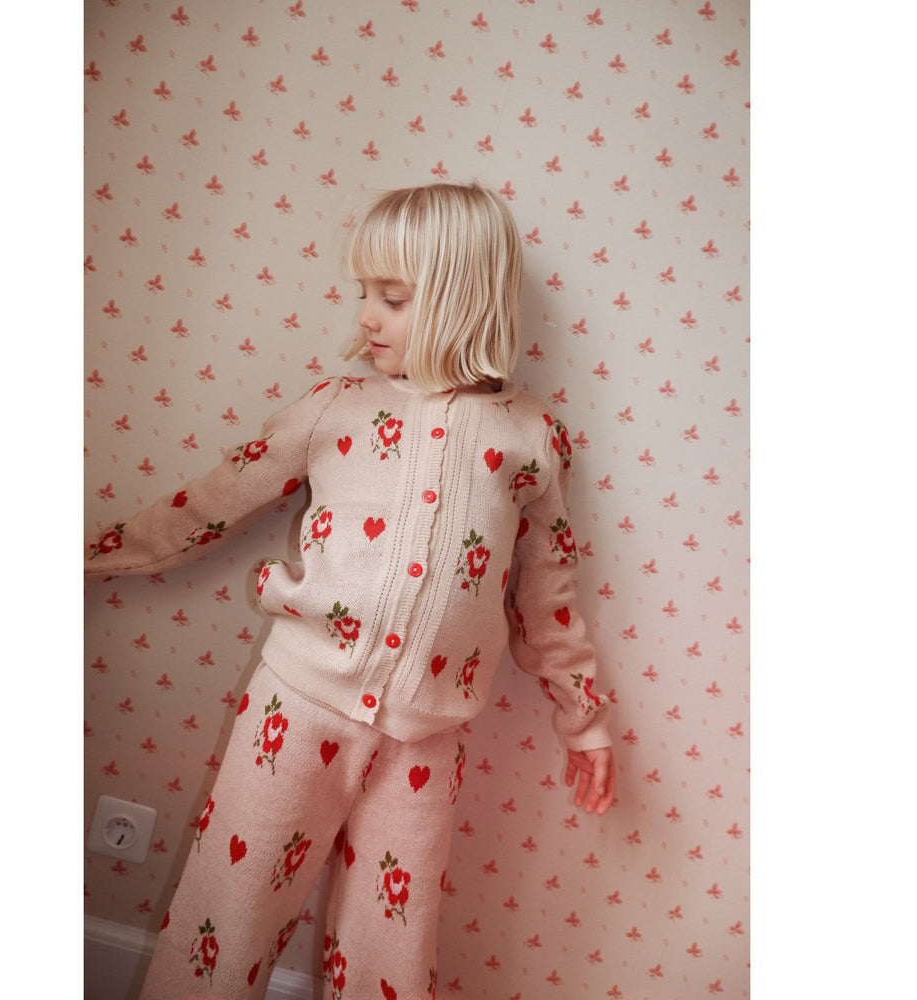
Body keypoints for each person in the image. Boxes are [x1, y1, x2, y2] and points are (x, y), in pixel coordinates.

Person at [85, 182, 616, 1000]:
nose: (366, 316)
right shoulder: (336, 408)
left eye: (391, 298)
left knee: (390, 952)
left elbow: (547, 600)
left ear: (462, 300)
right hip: (297, 709)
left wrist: (584, 722)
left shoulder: (532, 437)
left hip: (427, 738)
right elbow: (215, 500)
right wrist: (97, 557)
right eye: (365, 293)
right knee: (225, 919)